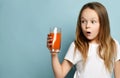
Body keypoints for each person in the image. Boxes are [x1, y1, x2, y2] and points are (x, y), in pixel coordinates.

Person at [47, 2, 120, 78]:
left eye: (93, 22)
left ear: (103, 24)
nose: (87, 26)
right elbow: (59, 75)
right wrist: (54, 54)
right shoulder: (77, 46)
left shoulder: (114, 45)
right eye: (83, 21)